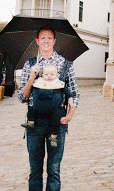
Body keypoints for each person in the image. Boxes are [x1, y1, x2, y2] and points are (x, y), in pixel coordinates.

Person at [18, 26, 79, 191]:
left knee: (54, 169)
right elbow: (22, 97)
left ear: (54, 41)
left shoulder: (66, 65)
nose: (46, 41)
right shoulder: (30, 64)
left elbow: (74, 94)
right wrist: (32, 77)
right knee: (35, 169)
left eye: (49, 38)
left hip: (57, 124)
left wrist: (70, 114)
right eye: (42, 38)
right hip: (34, 125)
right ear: (37, 41)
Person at [21, 64, 74, 147]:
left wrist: (70, 100)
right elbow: (23, 96)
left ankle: (53, 137)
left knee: (56, 119)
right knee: (31, 108)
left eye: (52, 75)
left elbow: (69, 93)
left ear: (57, 75)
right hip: (38, 110)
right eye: (46, 75)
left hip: (54, 109)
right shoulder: (38, 82)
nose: (49, 76)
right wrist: (32, 78)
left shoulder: (59, 84)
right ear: (42, 75)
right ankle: (31, 122)